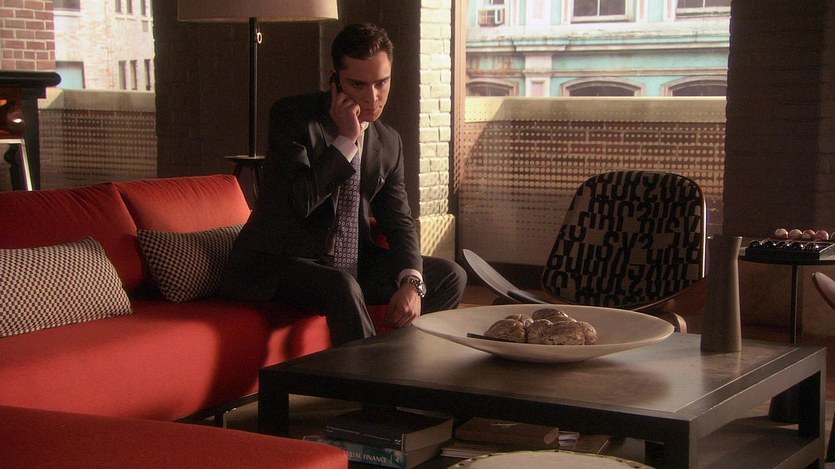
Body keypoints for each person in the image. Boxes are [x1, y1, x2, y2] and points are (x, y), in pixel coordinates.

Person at [219, 23, 467, 345]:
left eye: (382, 83)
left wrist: (412, 282)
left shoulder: (388, 141)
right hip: (279, 264)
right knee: (341, 284)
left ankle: (402, 362)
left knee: (449, 275)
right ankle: (370, 378)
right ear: (334, 79)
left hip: (352, 262)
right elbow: (299, 202)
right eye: (358, 84)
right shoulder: (292, 116)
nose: (372, 97)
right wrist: (347, 140)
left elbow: (398, 221)